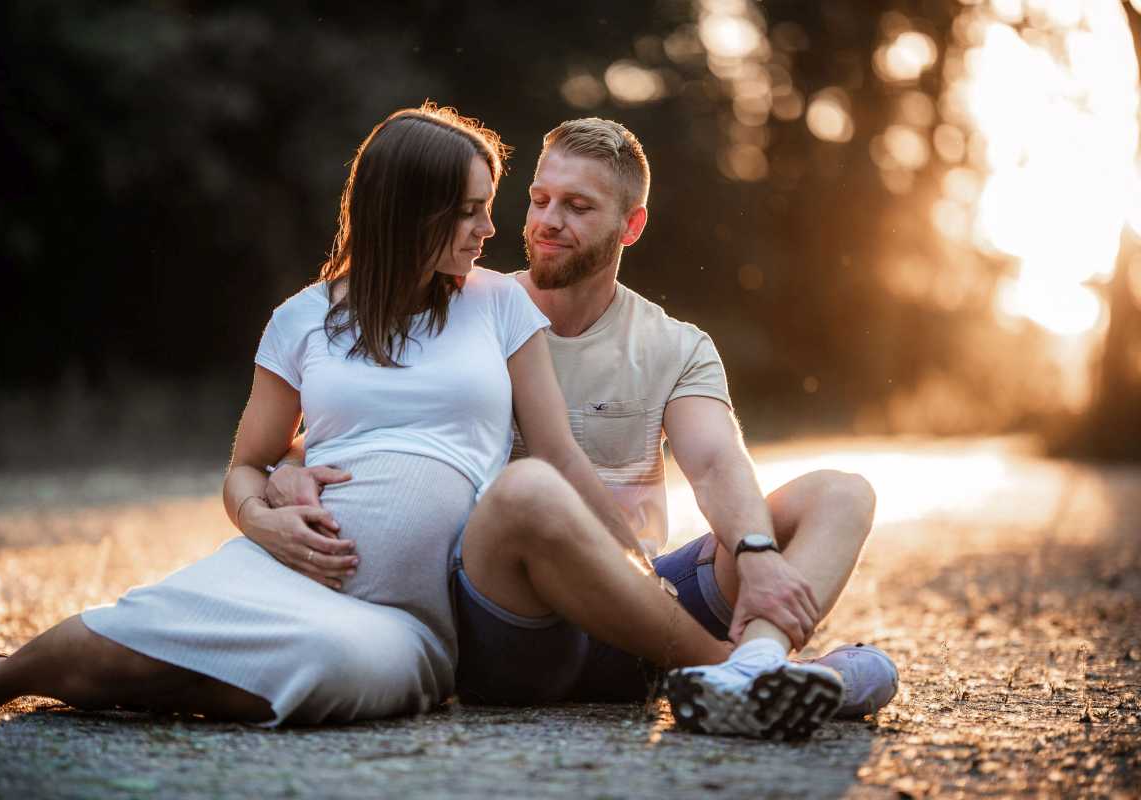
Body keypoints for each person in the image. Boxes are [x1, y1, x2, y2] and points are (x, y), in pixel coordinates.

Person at [0, 104, 643, 725]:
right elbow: (247, 466)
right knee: (138, 627)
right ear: (406, 210)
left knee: (330, 666)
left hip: (404, 619)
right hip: (279, 570)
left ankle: (152, 681)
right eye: (467, 209)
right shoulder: (303, 320)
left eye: (487, 204)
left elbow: (559, 457)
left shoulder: (498, 304)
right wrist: (264, 518)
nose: (490, 227)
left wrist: (637, 565)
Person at [268, 118, 898, 739]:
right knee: (528, 490)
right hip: (514, 614)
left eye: (577, 207)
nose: (546, 221)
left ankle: (755, 667)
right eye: (539, 199)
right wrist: (289, 473)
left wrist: (755, 555)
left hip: (648, 602)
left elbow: (714, 462)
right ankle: (768, 675)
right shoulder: (466, 305)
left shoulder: (676, 345)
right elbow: (364, 426)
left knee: (842, 492)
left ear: (632, 224)